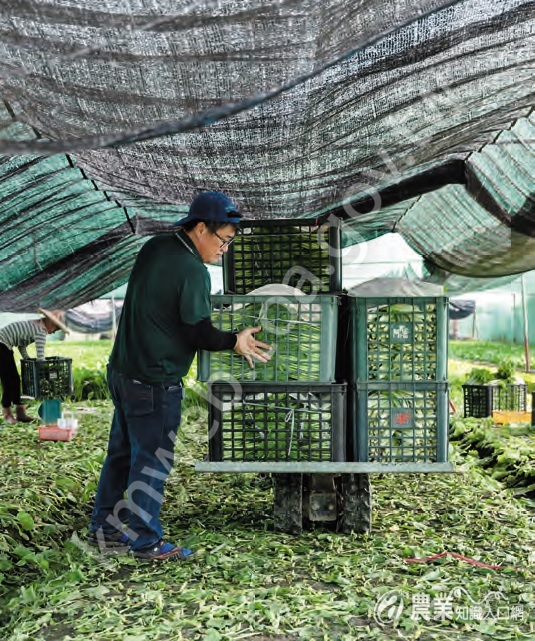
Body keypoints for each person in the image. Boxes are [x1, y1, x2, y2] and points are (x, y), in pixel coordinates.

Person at [88, 191, 272, 562]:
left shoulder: (156, 246)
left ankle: (105, 529)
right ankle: (145, 542)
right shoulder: (193, 270)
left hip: (122, 370)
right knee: (152, 461)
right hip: (155, 380)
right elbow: (198, 332)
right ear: (200, 228)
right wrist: (235, 340)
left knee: (123, 453)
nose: (225, 249)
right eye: (223, 240)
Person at [0, 309, 69, 424]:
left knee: (15, 380)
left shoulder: (33, 324)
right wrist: (46, 372)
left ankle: (20, 413)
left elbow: (22, 344)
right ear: (51, 323)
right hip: (2, 345)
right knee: (8, 381)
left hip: (5, 346)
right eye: (56, 329)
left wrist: (27, 358)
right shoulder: (40, 331)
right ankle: (7, 415)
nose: (53, 333)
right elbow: (41, 357)